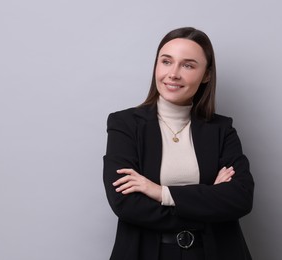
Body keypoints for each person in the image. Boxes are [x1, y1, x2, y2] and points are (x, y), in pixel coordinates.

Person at [103, 27, 254, 260]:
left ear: (206, 75)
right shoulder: (124, 124)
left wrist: (160, 192)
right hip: (147, 253)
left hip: (214, 253)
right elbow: (126, 204)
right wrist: (210, 199)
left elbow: (240, 198)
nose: (173, 73)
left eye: (188, 65)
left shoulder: (222, 129)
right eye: (166, 61)